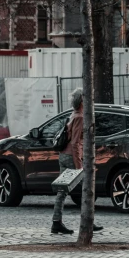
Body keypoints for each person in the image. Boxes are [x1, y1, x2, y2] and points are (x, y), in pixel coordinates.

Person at [51, 88, 103, 235]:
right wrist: (79, 164)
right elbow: (75, 143)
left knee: (63, 191)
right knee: (86, 189)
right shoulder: (80, 117)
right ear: (82, 101)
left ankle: (56, 222)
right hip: (71, 157)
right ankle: (88, 222)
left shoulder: (73, 114)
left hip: (64, 155)